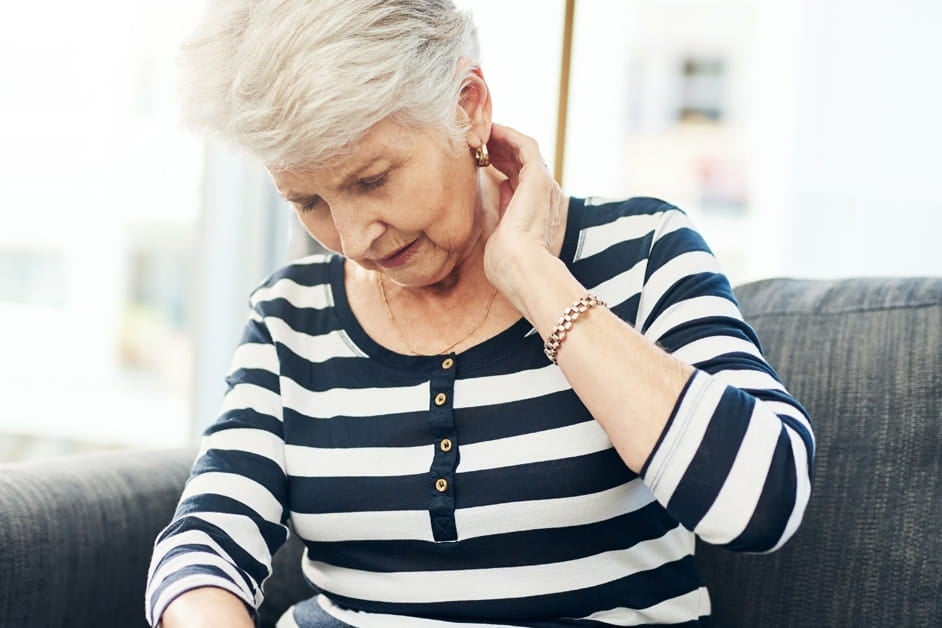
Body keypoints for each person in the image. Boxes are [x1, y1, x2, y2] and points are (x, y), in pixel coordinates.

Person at [145, 1, 814, 626]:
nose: (354, 240)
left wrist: (532, 275)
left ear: (467, 107)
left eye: (371, 179)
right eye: (308, 202)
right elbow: (205, 544)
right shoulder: (292, 316)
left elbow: (762, 501)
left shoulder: (641, 253)